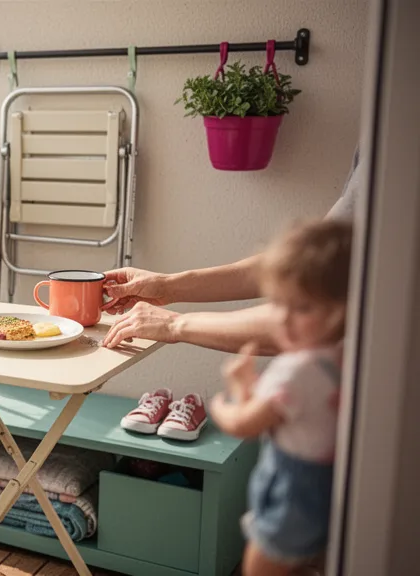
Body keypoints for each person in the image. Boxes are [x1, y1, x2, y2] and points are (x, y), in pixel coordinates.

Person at [101, 150, 362, 352]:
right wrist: (166, 286)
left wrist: (174, 324)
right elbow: (311, 267)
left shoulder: (393, 151)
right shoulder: (379, 138)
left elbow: (314, 317)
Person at [210, 219, 351, 575]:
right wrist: (249, 388)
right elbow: (284, 410)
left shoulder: (296, 369)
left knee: (259, 565)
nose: (284, 320)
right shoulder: (338, 355)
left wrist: (223, 402)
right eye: (278, 304)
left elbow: (245, 424)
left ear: (339, 309)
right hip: (324, 483)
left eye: (302, 308)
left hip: (293, 489)